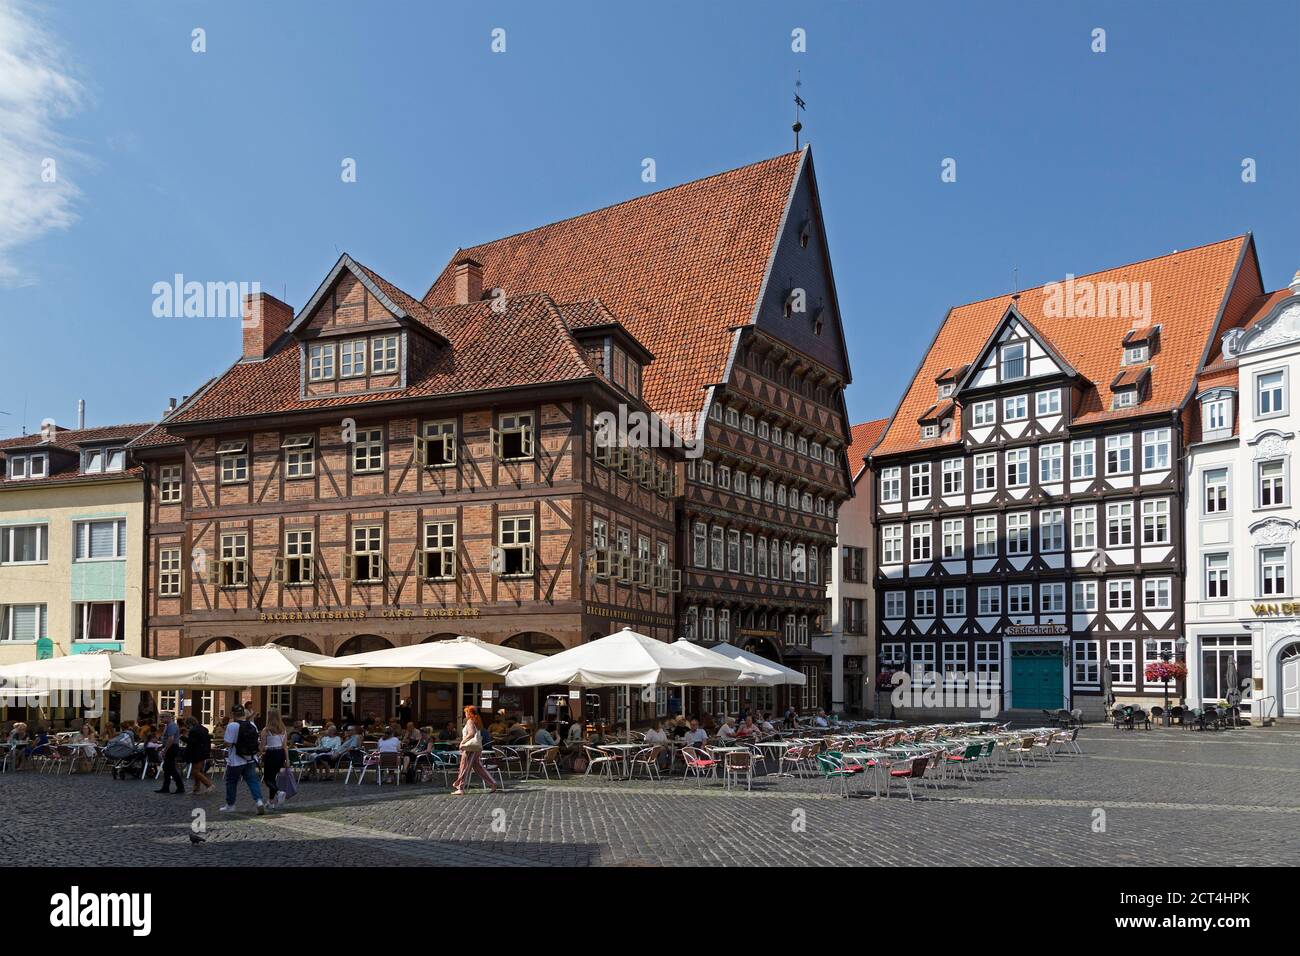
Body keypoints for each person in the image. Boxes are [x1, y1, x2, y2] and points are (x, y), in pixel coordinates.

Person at [219, 704, 266, 814]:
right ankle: (259, 801)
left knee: (231, 782)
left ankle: (230, 805)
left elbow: (228, 743)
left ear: (233, 714)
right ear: (244, 714)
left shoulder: (232, 726)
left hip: (236, 759)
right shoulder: (252, 725)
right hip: (250, 758)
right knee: (252, 780)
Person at [452, 706, 498, 795]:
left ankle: (460, 787)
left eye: (466, 712)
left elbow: (471, 734)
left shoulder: (470, 721)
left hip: (470, 748)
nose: (464, 714)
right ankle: (493, 783)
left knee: (464, 767)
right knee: (477, 767)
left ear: (469, 713)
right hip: (474, 748)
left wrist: (462, 742)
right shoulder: (476, 721)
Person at [261, 712, 290, 808]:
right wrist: (287, 759)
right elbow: (285, 746)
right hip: (280, 754)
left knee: (267, 778)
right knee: (272, 777)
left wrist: (262, 748)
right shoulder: (283, 730)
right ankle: (270, 801)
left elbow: (262, 747)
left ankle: (278, 792)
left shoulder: (266, 730)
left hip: (271, 754)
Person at [156, 711, 186, 794]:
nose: (160, 719)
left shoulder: (172, 726)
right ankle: (166, 787)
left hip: (172, 748)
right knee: (166, 768)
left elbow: (171, 739)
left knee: (171, 768)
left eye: (162, 717)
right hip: (170, 747)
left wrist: (165, 750)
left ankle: (180, 787)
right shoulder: (168, 725)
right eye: (160, 717)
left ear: (168, 717)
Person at [184, 717, 213, 793]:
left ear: (189, 724)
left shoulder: (193, 731)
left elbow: (192, 742)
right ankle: (196, 788)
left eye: (187, 725)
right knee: (198, 770)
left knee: (195, 771)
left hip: (197, 753)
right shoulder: (204, 729)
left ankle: (209, 784)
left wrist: (183, 738)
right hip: (204, 752)